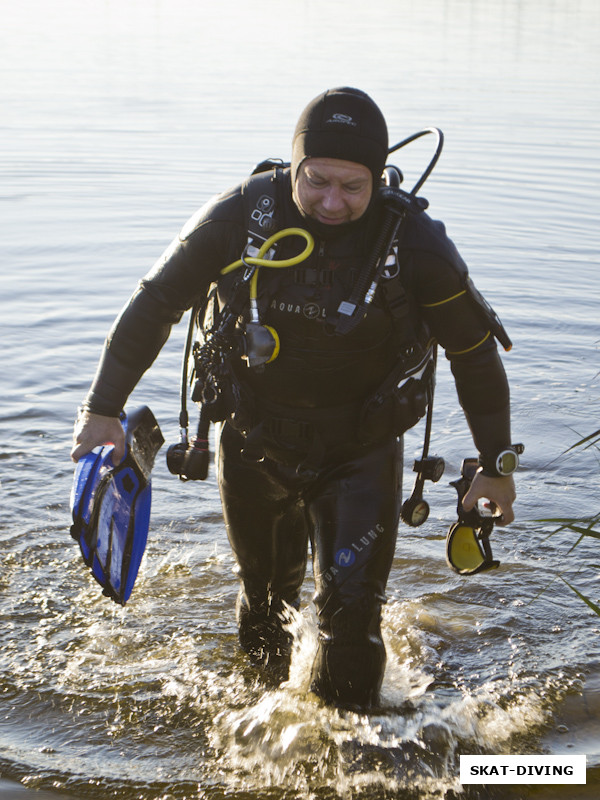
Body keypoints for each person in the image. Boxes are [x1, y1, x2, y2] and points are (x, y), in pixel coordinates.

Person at [71, 87, 518, 710]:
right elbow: (154, 304)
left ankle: (359, 757)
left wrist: (496, 466)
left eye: (353, 187)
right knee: (263, 611)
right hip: (254, 445)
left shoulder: (414, 244)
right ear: (293, 166)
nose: (332, 202)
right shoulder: (235, 218)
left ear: (377, 177)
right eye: (317, 182)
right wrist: (101, 410)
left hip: (360, 452)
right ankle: (262, 746)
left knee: (352, 627)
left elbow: (474, 354)